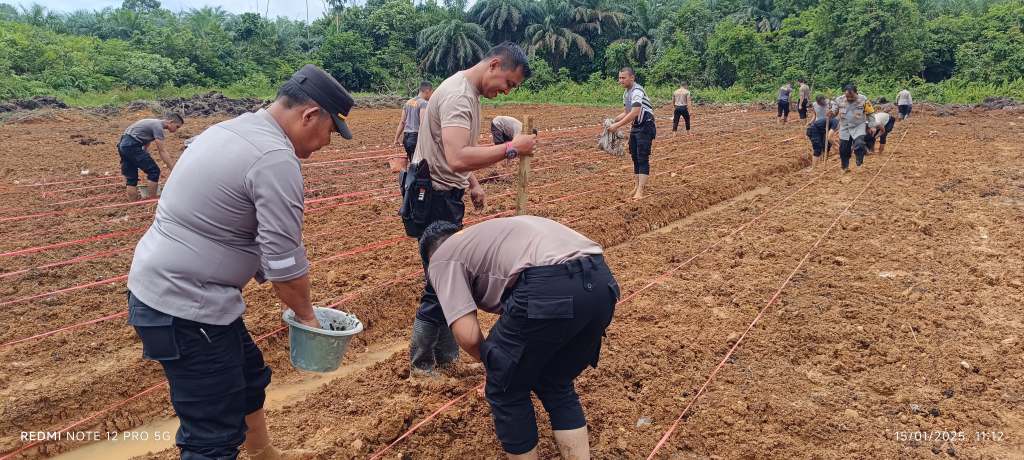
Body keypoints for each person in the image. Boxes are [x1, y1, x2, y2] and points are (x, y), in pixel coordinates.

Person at [126, 64, 355, 460]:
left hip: (180, 295)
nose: (327, 144)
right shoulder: (273, 158)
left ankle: (264, 454)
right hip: (186, 307)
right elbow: (284, 262)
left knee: (248, 377)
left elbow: (248, 233)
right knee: (212, 433)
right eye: (331, 132)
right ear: (310, 115)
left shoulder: (230, 129)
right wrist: (308, 317)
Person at [419, 216, 618, 459]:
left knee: (506, 390)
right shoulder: (483, 238)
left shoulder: (440, 257)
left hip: (548, 284)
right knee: (555, 382)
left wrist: (499, 368)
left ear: (427, 262)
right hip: (601, 283)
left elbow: (468, 336)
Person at [400, 42, 538, 375]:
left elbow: (454, 153)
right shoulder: (460, 97)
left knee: (452, 277)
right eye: (508, 83)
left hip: (444, 192)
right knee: (443, 280)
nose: (506, 92)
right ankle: (421, 365)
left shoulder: (466, 92)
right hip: (434, 197)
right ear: (494, 65)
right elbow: (458, 156)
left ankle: (448, 358)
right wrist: (511, 149)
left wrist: (471, 183)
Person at [607, 67, 656, 200]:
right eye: (619, 78)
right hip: (636, 126)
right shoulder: (626, 93)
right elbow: (627, 112)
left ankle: (640, 190)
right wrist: (613, 120)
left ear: (632, 78)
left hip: (646, 125)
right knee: (634, 156)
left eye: (623, 78)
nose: (620, 80)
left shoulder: (637, 91)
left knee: (642, 157)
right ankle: (636, 186)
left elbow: (635, 112)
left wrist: (617, 125)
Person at [117, 113, 183, 200]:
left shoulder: (152, 123)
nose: (176, 130)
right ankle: (152, 201)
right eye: (177, 126)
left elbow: (145, 141)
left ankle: (133, 204)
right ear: (171, 122)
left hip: (123, 145)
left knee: (131, 178)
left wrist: (144, 156)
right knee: (154, 171)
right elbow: (162, 151)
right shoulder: (158, 127)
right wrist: (173, 169)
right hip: (132, 146)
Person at [830, 84, 874, 174]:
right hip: (845, 127)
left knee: (859, 144)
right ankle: (844, 166)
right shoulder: (839, 100)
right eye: (847, 96)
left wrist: (871, 125)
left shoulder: (863, 100)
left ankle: (859, 163)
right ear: (844, 94)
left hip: (859, 125)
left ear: (856, 93)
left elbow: (870, 113)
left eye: (852, 96)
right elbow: (834, 111)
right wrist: (831, 113)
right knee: (844, 148)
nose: (849, 98)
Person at [394, 81, 433, 161]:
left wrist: (396, 139)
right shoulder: (424, 103)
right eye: (431, 92)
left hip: (406, 138)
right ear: (427, 91)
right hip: (416, 137)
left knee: (413, 162)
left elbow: (402, 122)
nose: (431, 95)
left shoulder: (408, 103)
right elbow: (423, 123)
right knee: (420, 164)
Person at [806, 95, 838, 169]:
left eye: (821, 102)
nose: (820, 104)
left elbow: (834, 113)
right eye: (819, 103)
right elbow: (815, 115)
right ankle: (818, 164)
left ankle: (823, 162)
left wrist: (831, 112)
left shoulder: (831, 104)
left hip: (827, 125)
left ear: (824, 99)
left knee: (826, 145)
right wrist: (811, 122)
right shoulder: (814, 104)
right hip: (818, 126)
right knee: (818, 146)